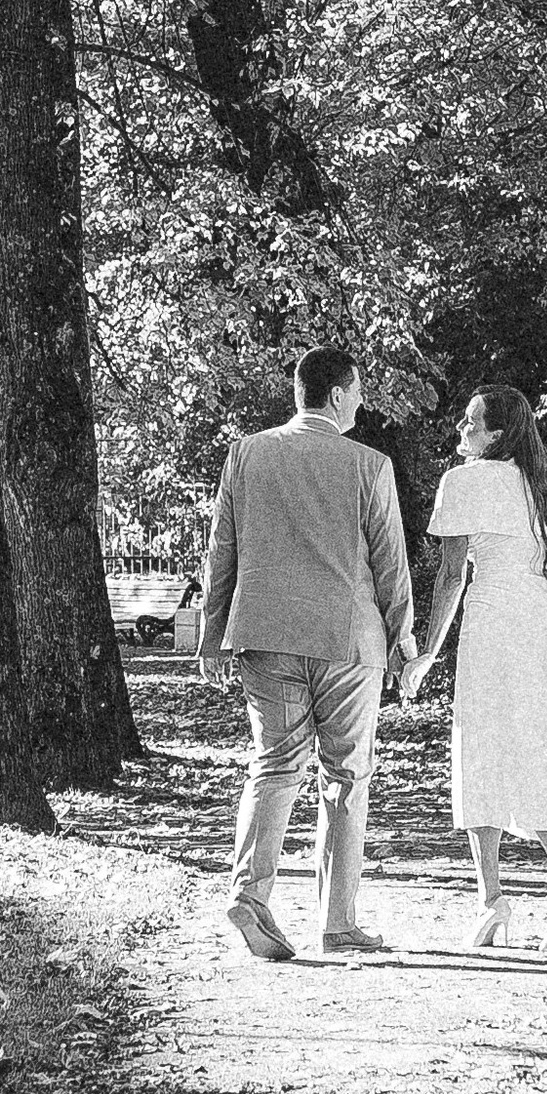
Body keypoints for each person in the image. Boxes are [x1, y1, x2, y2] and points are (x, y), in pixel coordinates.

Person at [199, 343, 417, 962]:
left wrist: (213, 633)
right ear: (339, 394)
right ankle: (338, 921)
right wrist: (403, 639)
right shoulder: (370, 465)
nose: (362, 404)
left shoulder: (246, 454)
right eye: (359, 393)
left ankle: (250, 894)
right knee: (346, 775)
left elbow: (222, 548)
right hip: (347, 640)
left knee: (273, 765)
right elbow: (390, 562)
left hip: (265, 633)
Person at [404, 384, 547, 951]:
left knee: (479, 749)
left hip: (493, 619)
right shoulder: (544, 483)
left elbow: (451, 577)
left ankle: (492, 899)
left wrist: (427, 651)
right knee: (535, 748)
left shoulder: (463, 482)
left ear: (496, 435)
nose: (462, 429)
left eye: (471, 422)